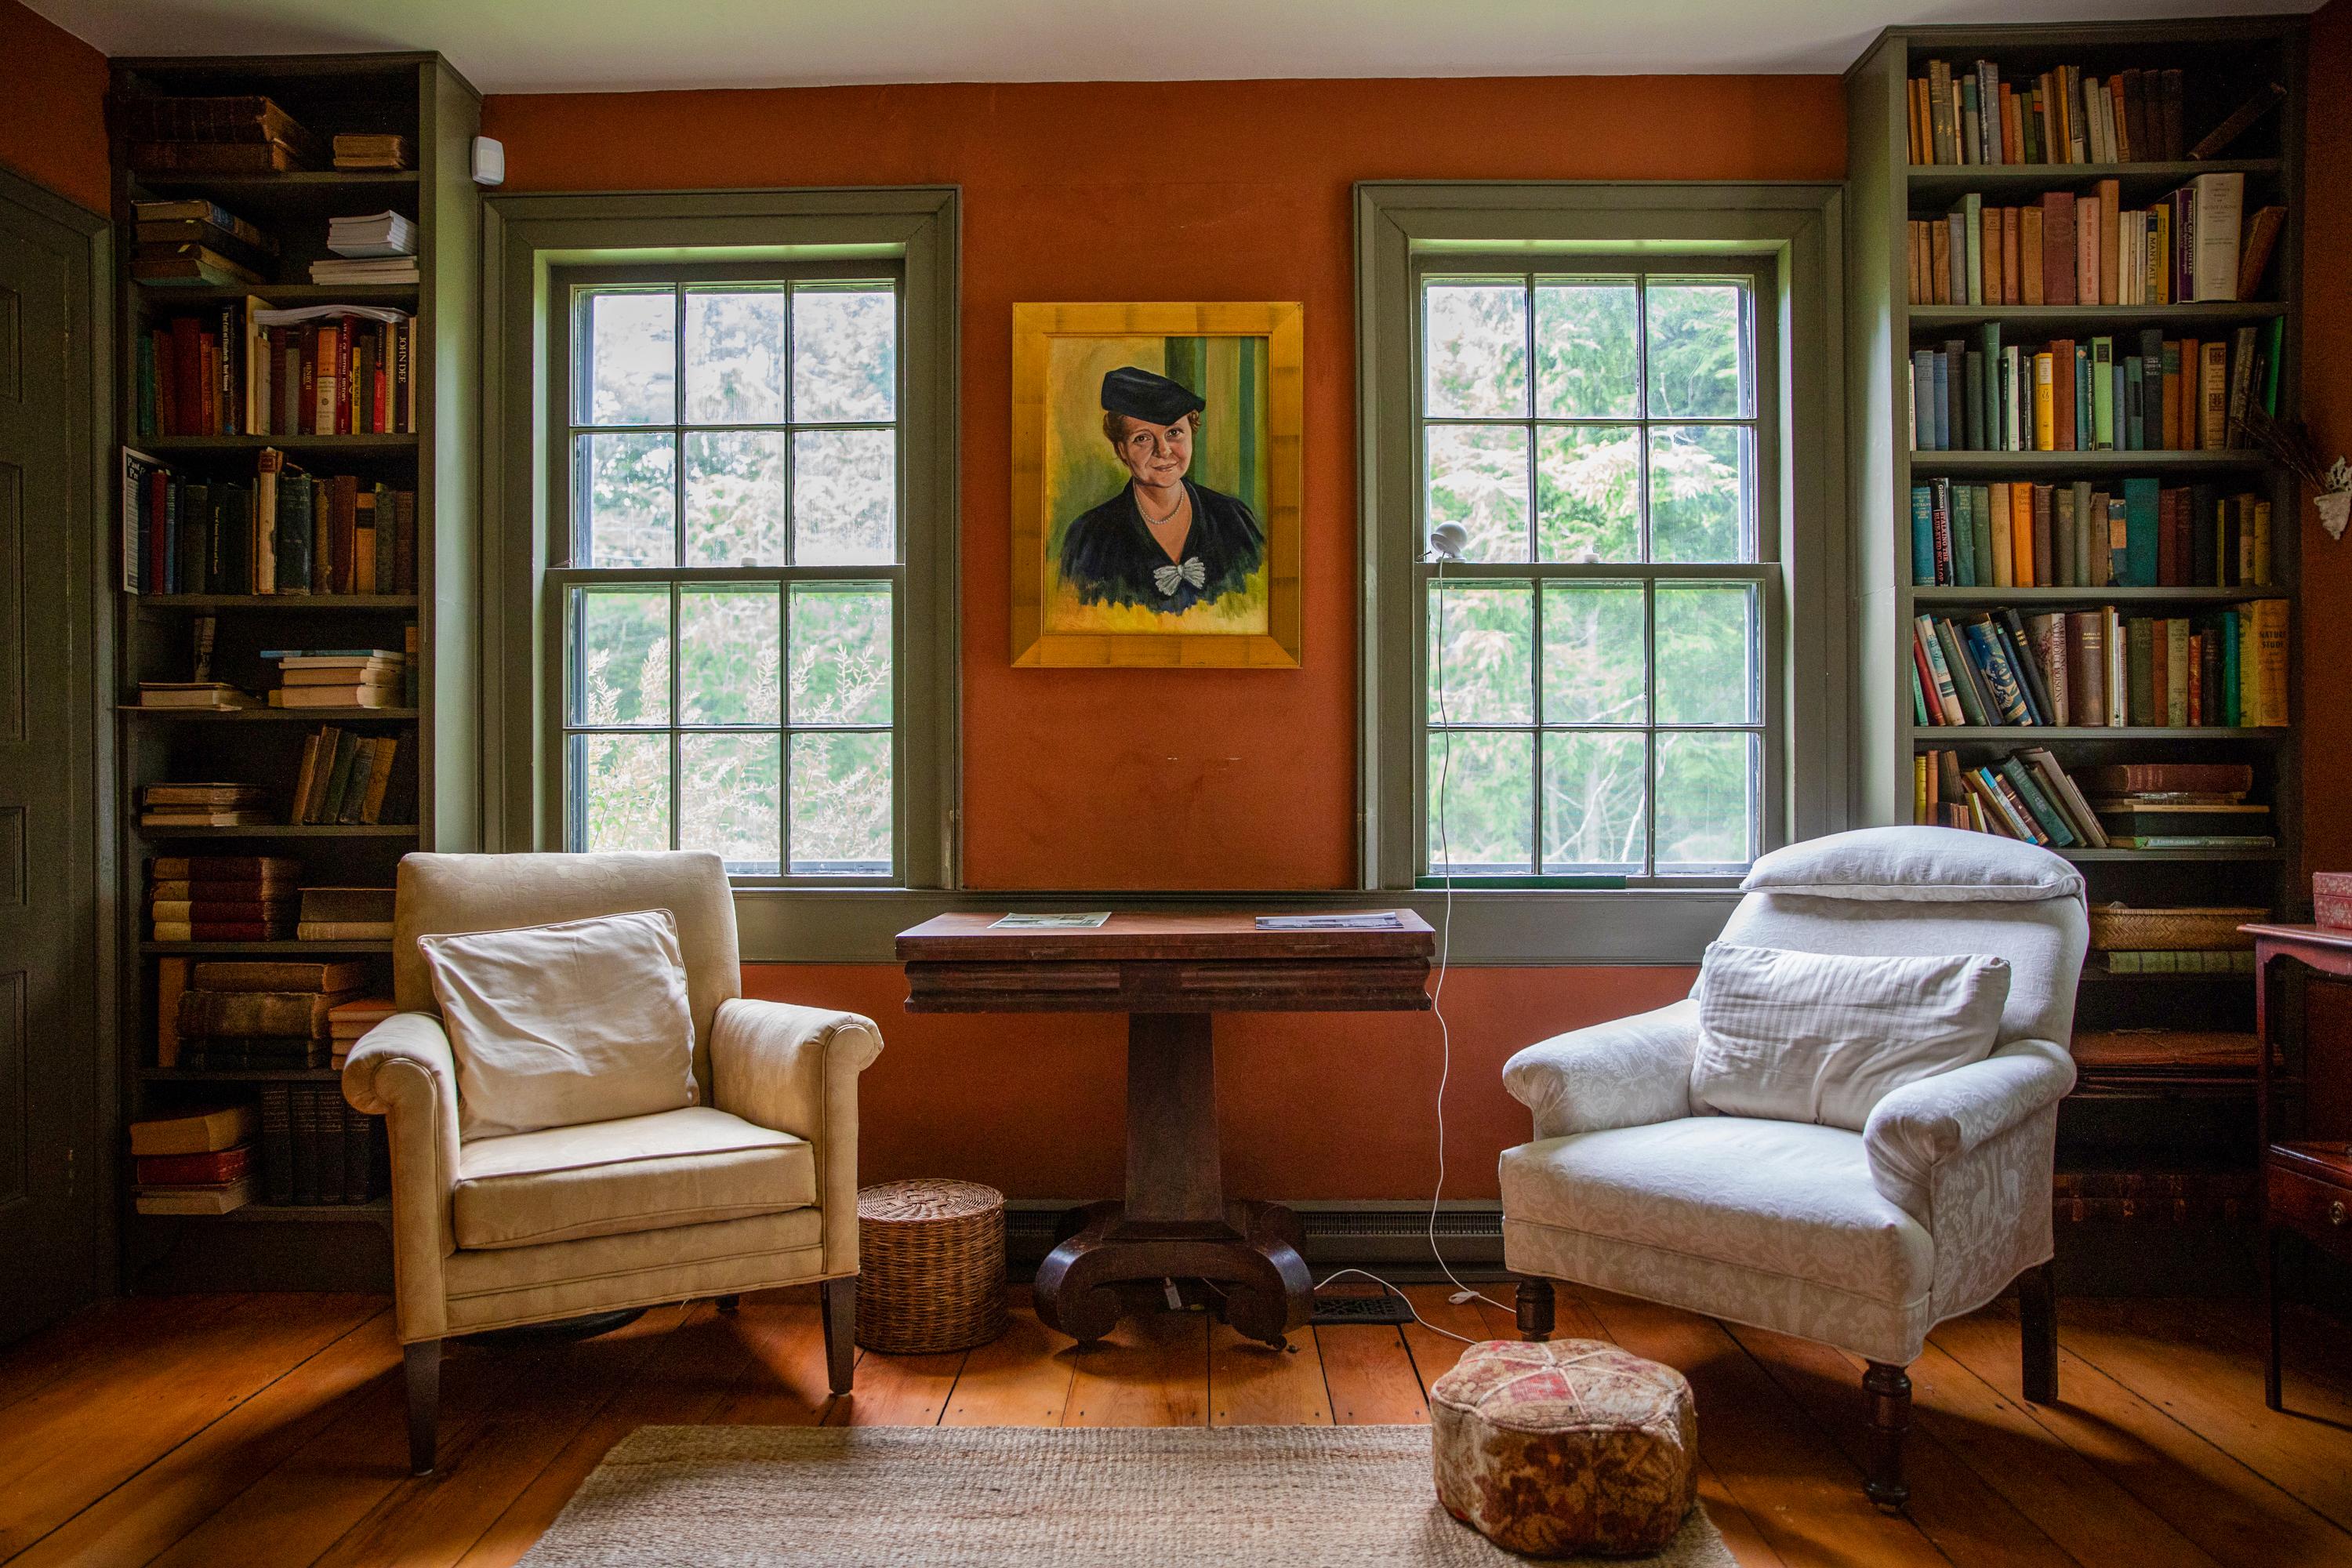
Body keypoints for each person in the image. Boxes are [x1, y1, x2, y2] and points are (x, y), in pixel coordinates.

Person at [1058, 365, 1265, 614]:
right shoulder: (1089, 538)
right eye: (1142, 438)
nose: (1163, 451)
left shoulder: (1234, 519)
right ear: (1121, 449)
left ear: (1192, 433)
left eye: (1174, 433)